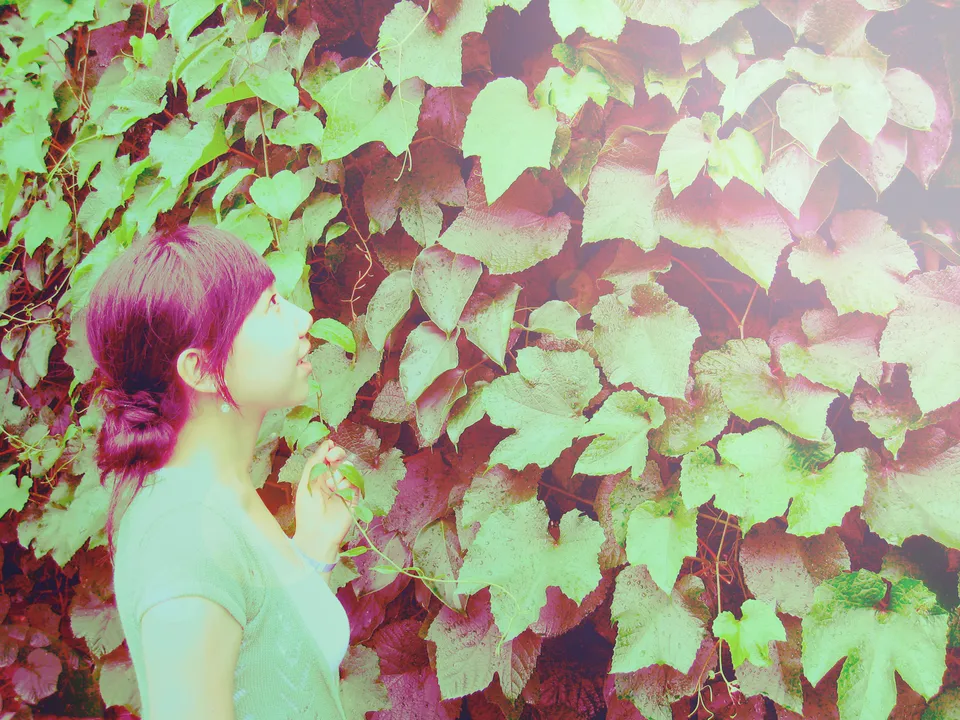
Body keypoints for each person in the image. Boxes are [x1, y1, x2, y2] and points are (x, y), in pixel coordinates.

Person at [81, 225, 358, 719]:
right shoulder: (183, 538)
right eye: (271, 305)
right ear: (203, 370)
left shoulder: (216, 493)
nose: (304, 319)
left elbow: (268, 669)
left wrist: (312, 550)